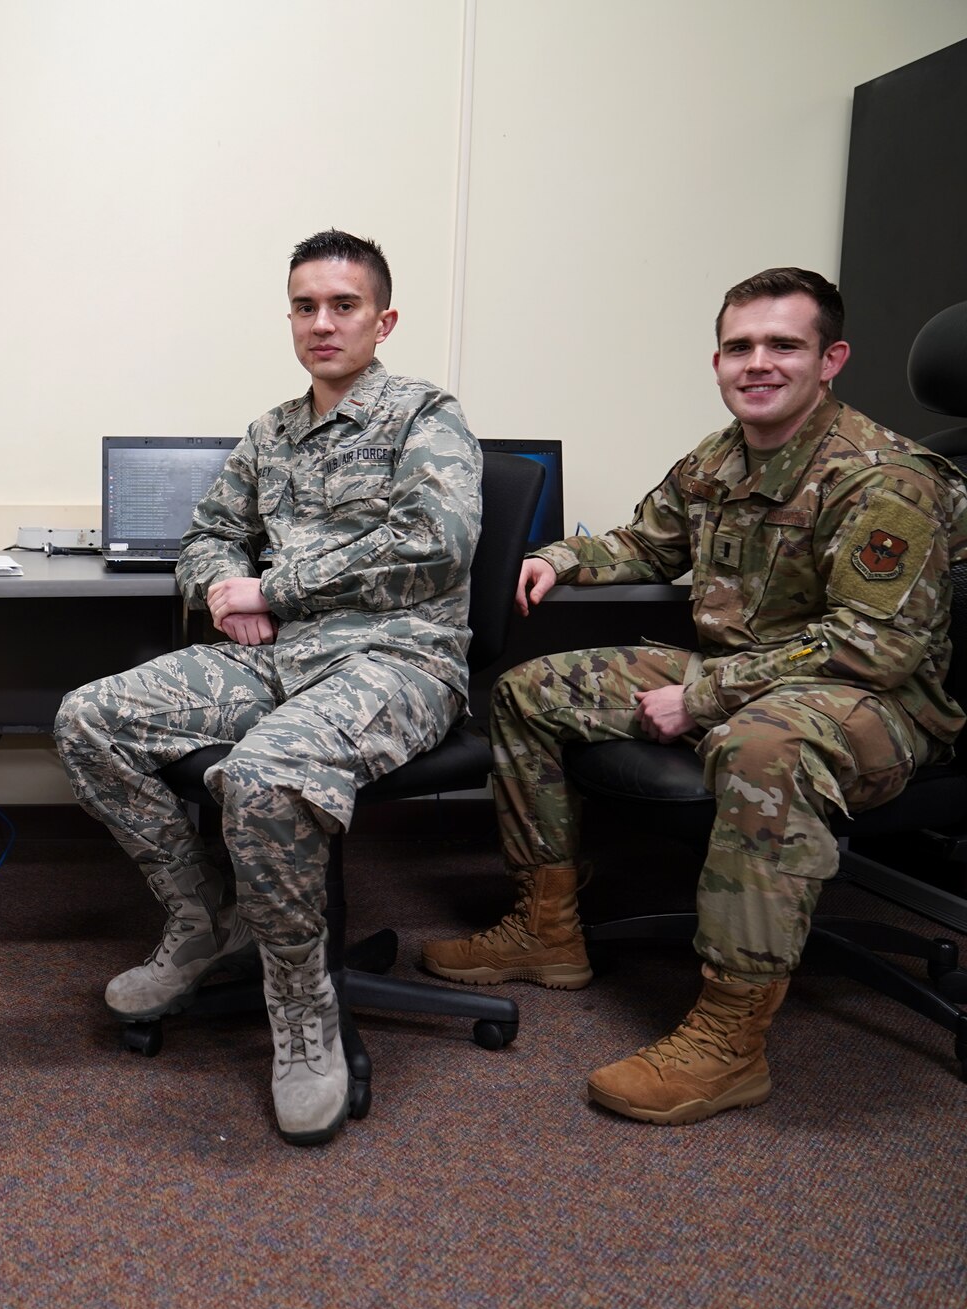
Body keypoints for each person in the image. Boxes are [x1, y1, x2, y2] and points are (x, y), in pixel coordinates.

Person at [421, 267, 965, 1124]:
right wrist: (561, 558)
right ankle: (547, 924)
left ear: (831, 359)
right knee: (529, 691)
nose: (759, 363)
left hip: (874, 704)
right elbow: (647, 540)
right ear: (717, 360)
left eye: (784, 344)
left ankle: (729, 1037)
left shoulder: (885, 478)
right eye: (740, 346)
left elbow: (874, 646)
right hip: (750, 674)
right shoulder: (721, 456)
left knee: (764, 749)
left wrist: (706, 695)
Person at [54, 230, 481, 1145]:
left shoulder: (425, 416)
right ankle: (203, 921)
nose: (321, 323)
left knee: (259, 774)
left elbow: (436, 545)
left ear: (384, 319)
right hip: (275, 658)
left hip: (395, 661)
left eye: (343, 305)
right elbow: (208, 532)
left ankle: (301, 1003)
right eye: (304, 306)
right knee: (91, 718)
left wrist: (275, 588)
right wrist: (221, 591)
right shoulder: (272, 431)